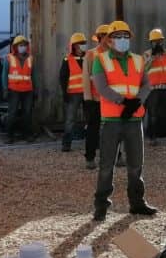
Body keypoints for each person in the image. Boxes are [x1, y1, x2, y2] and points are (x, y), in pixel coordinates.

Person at [92, 20, 156, 220]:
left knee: (136, 164)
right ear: (109, 41)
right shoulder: (100, 59)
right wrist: (123, 102)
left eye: (125, 36)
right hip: (111, 119)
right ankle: (101, 206)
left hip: (134, 119)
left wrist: (137, 102)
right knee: (106, 165)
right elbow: (101, 87)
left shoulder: (137, 60)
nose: (122, 40)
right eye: (118, 36)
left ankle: (137, 203)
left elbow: (147, 84)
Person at [81, 24, 110, 169]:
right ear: (101, 38)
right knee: (93, 129)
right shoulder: (91, 54)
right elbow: (86, 77)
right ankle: (90, 158)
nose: (110, 39)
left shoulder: (116, 54)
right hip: (96, 99)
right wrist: (88, 97)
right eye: (108, 36)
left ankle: (115, 156)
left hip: (112, 99)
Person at [4, 35, 37, 142]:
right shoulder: (9, 58)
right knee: (12, 113)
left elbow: (34, 76)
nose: (22, 47)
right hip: (14, 90)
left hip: (28, 91)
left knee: (27, 113)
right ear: (15, 47)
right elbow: (4, 75)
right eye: (20, 45)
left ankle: (27, 135)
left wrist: (36, 90)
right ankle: (9, 135)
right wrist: (5, 90)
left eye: (24, 45)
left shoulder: (30, 58)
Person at [59, 32, 87, 152]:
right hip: (73, 94)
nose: (83, 45)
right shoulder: (67, 60)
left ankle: (93, 142)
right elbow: (63, 78)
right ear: (75, 45)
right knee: (70, 119)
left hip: (87, 93)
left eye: (84, 43)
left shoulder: (88, 58)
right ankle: (66, 144)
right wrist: (65, 93)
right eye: (81, 43)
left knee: (90, 118)